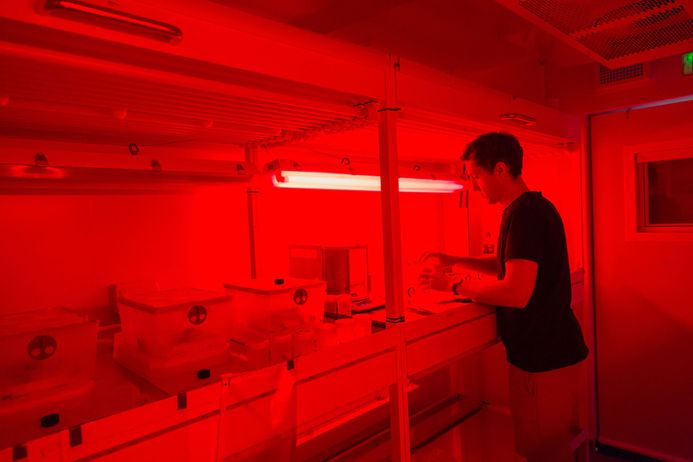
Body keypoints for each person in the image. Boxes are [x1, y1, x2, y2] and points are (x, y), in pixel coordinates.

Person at [419, 132, 589, 462]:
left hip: (544, 359)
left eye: (475, 176)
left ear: (500, 169)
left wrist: (452, 286)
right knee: (546, 448)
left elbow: (516, 291)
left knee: (543, 453)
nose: (473, 185)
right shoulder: (529, 208)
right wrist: (453, 259)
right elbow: (507, 263)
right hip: (556, 353)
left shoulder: (524, 215)